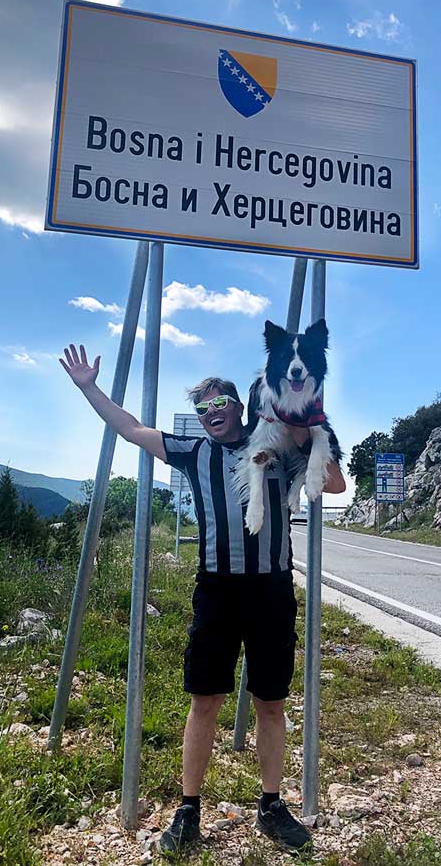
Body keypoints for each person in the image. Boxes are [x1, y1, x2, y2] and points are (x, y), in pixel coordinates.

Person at [59, 344, 346, 854]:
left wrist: (301, 427)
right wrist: (88, 387)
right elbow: (129, 428)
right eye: (203, 410)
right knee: (205, 700)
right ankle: (189, 809)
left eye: (220, 405)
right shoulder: (193, 452)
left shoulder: (278, 444)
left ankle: (271, 806)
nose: (212, 414)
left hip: (271, 589)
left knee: (271, 702)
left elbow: (335, 483)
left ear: (239, 405)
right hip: (215, 589)